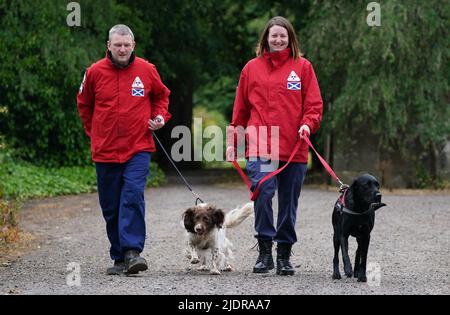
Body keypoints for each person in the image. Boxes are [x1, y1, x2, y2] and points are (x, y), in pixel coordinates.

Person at [226, 16, 323, 275]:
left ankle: (284, 255)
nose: (278, 39)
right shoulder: (251, 68)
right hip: (260, 144)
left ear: (290, 39)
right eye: (274, 36)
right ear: (266, 39)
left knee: (289, 202)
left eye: (283, 36)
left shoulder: (303, 67)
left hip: (294, 145)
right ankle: (264, 252)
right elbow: (241, 110)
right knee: (263, 192)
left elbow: (313, 106)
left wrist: (307, 125)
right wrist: (234, 141)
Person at [77, 24, 171, 275]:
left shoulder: (147, 70)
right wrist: (95, 132)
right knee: (110, 204)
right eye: (117, 45)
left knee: (132, 196)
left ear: (133, 46)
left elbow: (162, 96)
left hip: (137, 146)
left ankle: (132, 252)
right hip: (105, 150)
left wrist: (159, 118)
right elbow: (84, 105)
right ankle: (119, 257)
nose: (122, 49)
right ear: (109, 45)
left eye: (126, 45)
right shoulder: (94, 72)